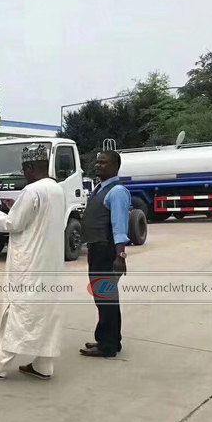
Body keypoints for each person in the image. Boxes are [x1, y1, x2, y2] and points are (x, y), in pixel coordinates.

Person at [0, 144, 66, 380]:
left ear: (31, 167)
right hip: (50, 264)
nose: (24, 174)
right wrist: (13, 209)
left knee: (18, 312)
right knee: (46, 312)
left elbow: (13, 224)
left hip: (29, 264)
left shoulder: (32, 191)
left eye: (24, 169)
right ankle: (44, 366)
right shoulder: (56, 189)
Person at [79, 150, 131, 358]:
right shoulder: (101, 188)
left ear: (115, 166)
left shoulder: (117, 191)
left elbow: (119, 226)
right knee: (103, 296)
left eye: (104, 163)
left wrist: (120, 256)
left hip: (106, 250)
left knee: (106, 297)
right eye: (98, 162)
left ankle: (108, 345)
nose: (99, 165)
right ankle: (108, 340)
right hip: (97, 248)